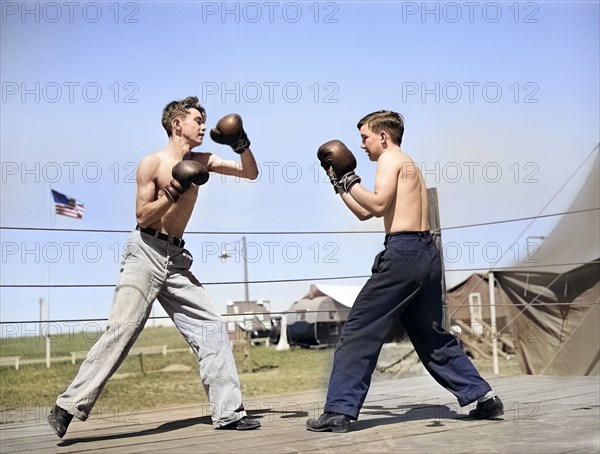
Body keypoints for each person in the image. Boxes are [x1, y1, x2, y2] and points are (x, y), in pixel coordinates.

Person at [47, 96, 261, 438]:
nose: (204, 126)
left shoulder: (202, 160)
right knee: (123, 329)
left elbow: (250, 173)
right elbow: (143, 215)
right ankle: (67, 407)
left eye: (205, 121)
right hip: (144, 251)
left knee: (212, 328)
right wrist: (176, 188)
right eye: (196, 120)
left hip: (175, 259)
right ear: (177, 124)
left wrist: (241, 144)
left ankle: (228, 412)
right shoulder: (151, 163)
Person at [306, 110, 503, 433]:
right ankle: (483, 397)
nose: (362, 145)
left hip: (404, 254)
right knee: (430, 334)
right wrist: (339, 183)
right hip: (427, 255)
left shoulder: (389, 160)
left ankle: (338, 412)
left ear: (383, 136)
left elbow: (378, 205)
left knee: (359, 329)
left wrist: (350, 178)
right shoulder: (407, 163)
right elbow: (364, 213)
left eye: (365, 137)